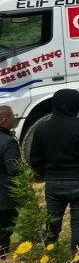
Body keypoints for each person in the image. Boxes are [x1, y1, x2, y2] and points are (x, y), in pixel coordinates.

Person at [28, 89, 79, 253]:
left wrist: (48, 174)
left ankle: (50, 256)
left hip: (54, 183)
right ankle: (77, 259)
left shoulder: (41, 129)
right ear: (76, 105)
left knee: (52, 223)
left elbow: (35, 159)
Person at [0, 106, 22, 255]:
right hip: (4, 196)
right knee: (3, 231)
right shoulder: (7, 141)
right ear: (5, 120)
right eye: (13, 116)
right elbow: (15, 169)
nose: (14, 118)